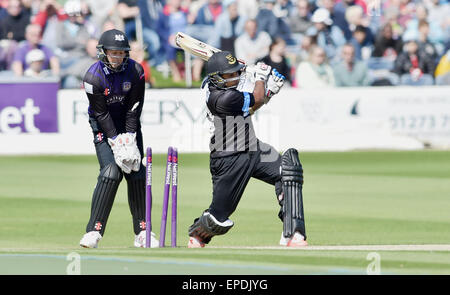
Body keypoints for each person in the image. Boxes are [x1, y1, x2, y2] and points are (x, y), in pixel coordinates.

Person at [187, 50, 308, 248]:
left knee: (288, 170)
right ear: (216, 77)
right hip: (229, 158)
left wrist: (266, 92)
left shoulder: (227, 90)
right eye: (229, 75)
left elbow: (251, 107)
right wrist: (261, 79)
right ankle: (197, 234)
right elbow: (256, 98)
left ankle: (293, 233)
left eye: (236, 73)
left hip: (253, 147)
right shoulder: (220, 98)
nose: (234, 77)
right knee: (218, 218)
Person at [79, 29, 158, 248]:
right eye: (113, 53)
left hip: (129, 124)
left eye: (121, 53)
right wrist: (114, 141)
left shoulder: (135, 71)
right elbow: (101, 113)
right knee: (111, 172)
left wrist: (130, 137)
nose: (117, 58)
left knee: (136, 170)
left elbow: (134, 107)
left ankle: (143, 231)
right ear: (103, 52)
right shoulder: (92, 77)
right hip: (103, 125)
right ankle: (93, 232)